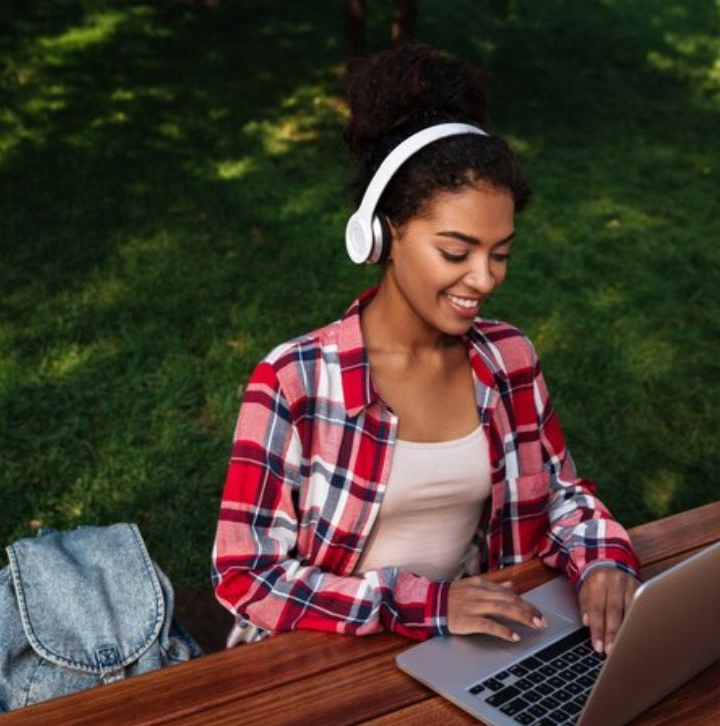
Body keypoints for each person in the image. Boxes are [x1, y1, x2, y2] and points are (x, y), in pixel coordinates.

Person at [212, 43, 641, 655]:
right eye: (455, 252)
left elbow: (559, 495)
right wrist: (422, 603)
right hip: (318, 653)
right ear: (381, 236)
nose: (485, 279)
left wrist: (603, 559)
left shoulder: (507, 359)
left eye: (501, 254)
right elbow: (246, 576)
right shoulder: (293, 382)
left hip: (461, 644)